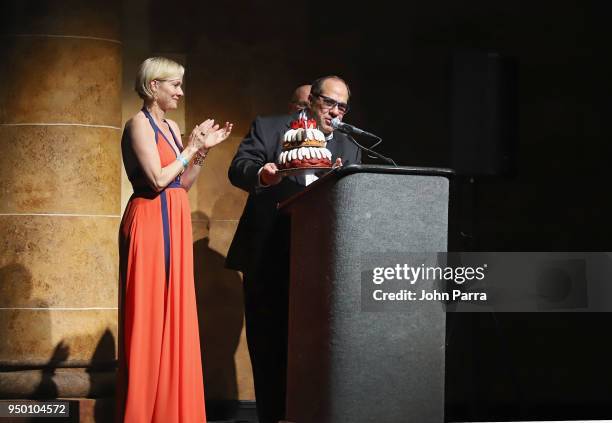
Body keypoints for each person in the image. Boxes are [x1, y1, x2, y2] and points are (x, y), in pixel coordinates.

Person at [226, 75, 361, 423]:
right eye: (329, 102)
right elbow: (239, 169)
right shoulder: (272, 129)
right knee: (269, 343)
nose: (335, 112)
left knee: (316, 349)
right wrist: (263, 175)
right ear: (313, 100)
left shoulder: (348, 145)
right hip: (269, 253)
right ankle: (272, 416)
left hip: (322, 263)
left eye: (342, 106)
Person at [118, 57, 232, 423]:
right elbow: (156, 179)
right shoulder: (138, 125)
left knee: (174, 314)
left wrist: (201, 151)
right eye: (175, 85)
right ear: (154, 87)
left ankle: (171, 410)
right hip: (150, 223)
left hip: (173, 219)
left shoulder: (169, 127)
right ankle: (143, 411)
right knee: (150, 316)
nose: (181, 92)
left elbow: (182, 182)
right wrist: (190, 148)